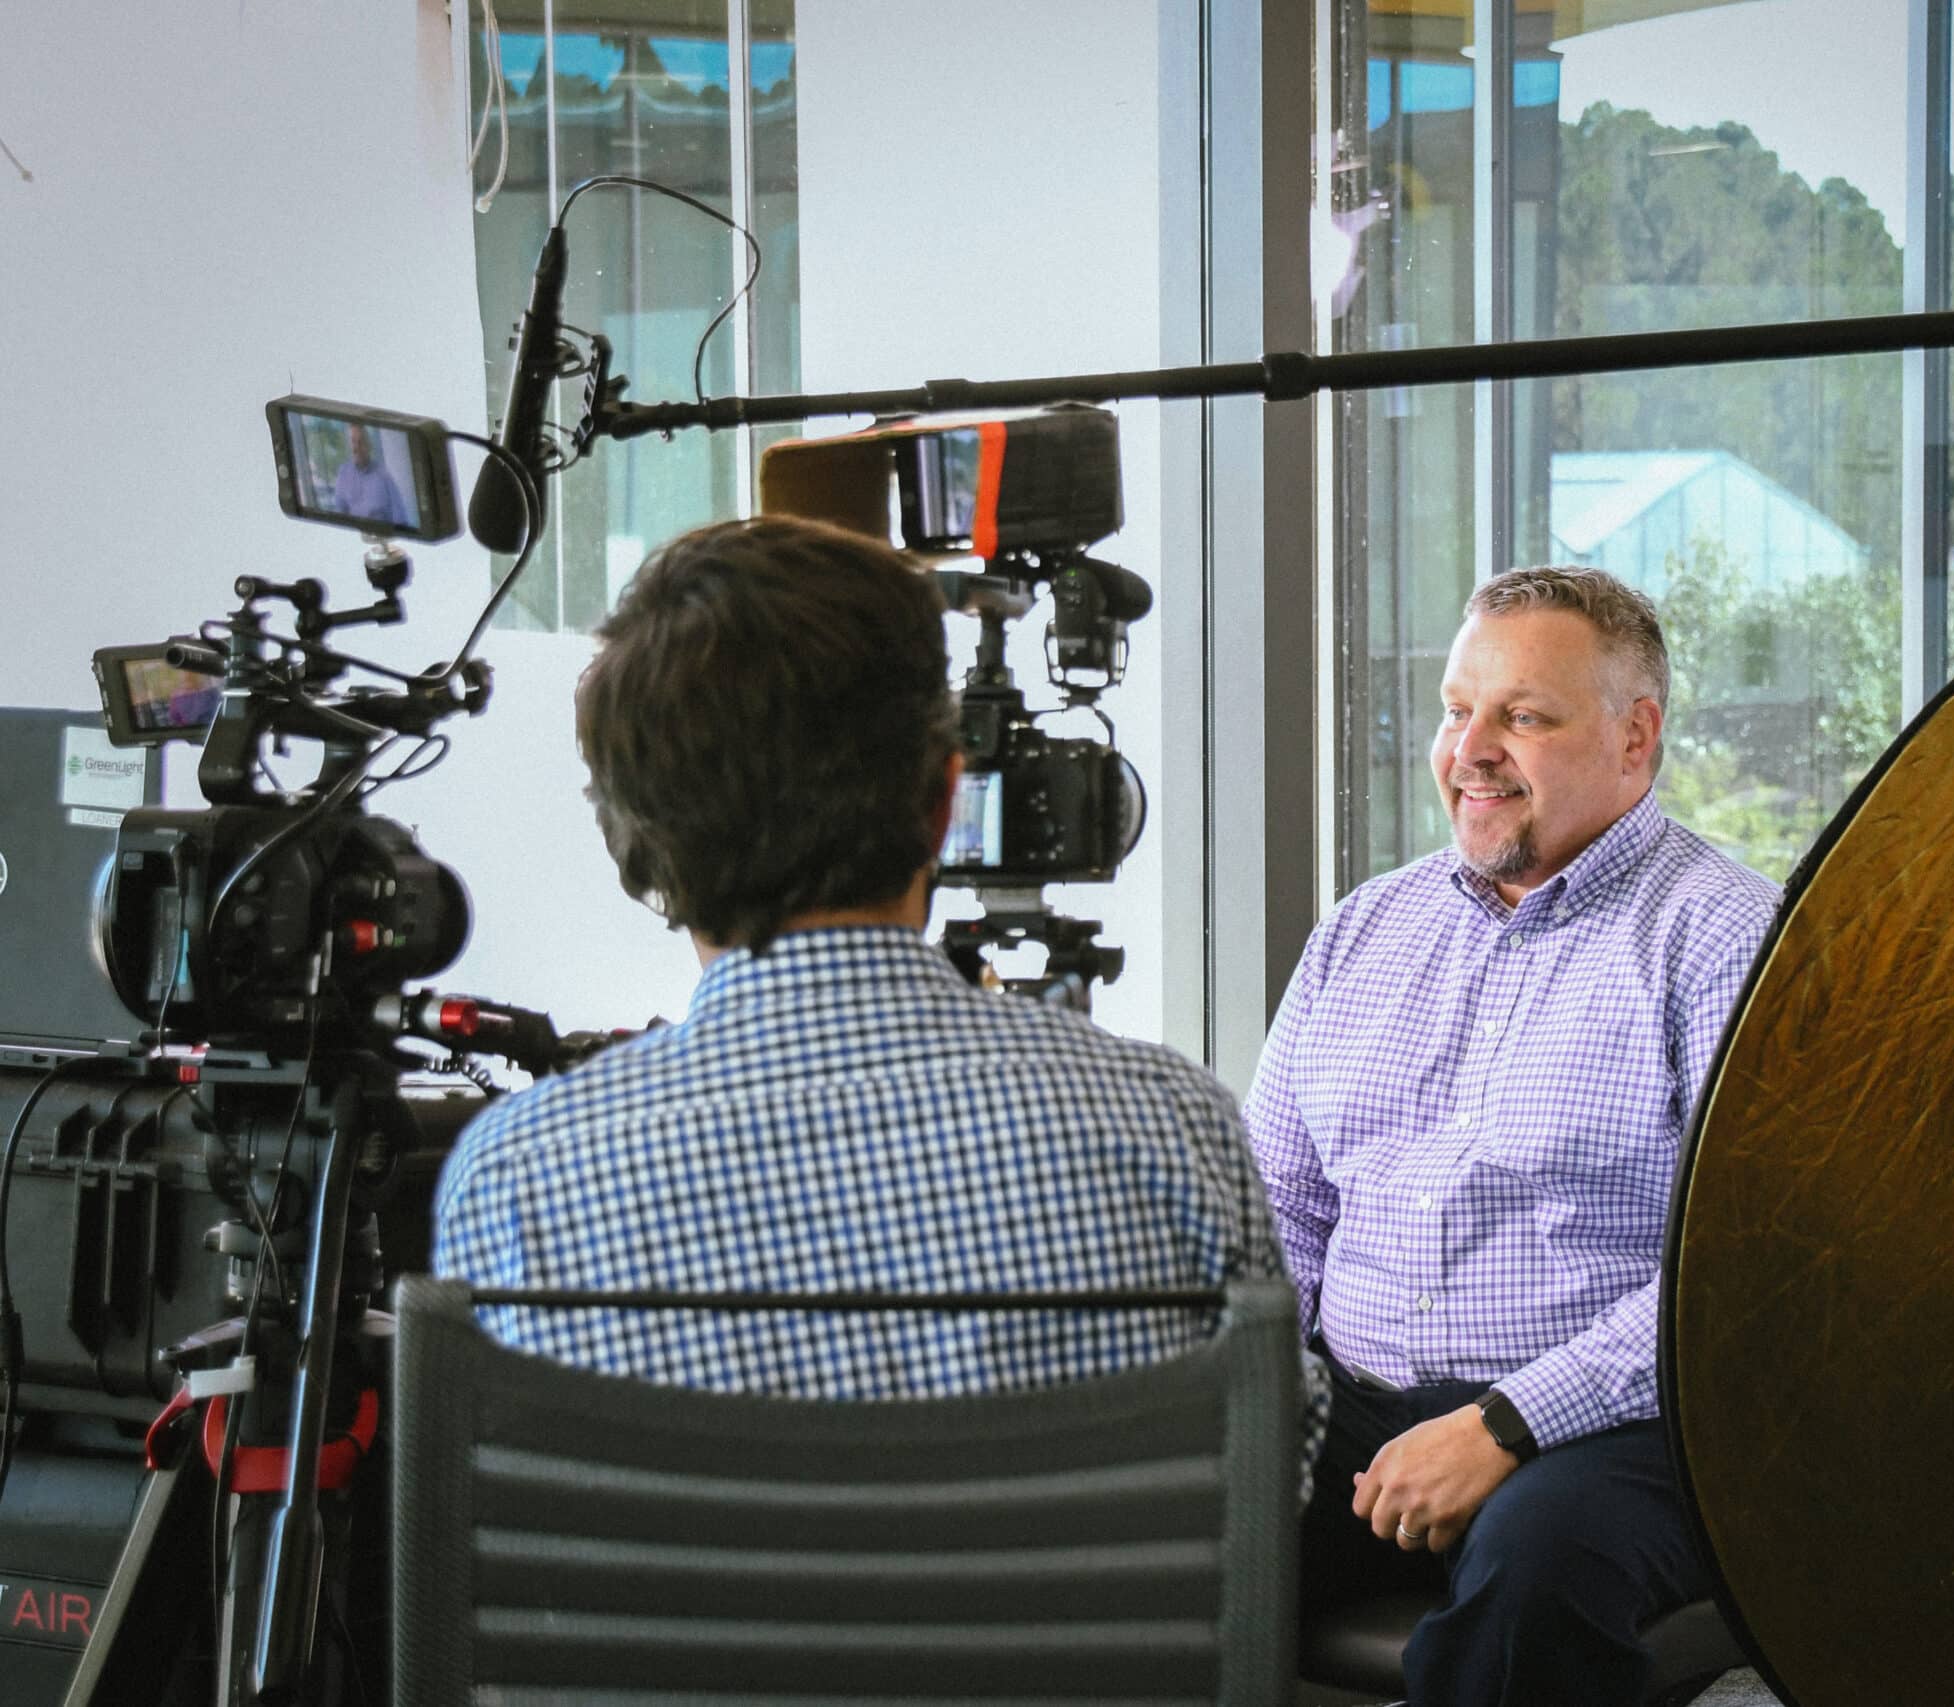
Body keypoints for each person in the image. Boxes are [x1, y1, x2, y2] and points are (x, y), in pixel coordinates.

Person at [434, 515, 1312, 1450]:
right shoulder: (1175, 1124)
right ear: (943, 800)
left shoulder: (514, 1180)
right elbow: (1278, 1467)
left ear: (634, 847)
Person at [1246, 564, 1781, 1707]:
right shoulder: (1363, 929)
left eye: (1523, 717)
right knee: (1153, 1517)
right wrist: (1263, 1392)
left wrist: (1506, 1422)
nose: (1470, 750)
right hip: (1352, 1404)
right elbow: (1277, 1207)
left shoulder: (1731, 940)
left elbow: (1738, 1276)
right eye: (1456, 710)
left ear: (1635, 737)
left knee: (1536, 1573)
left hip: (1617, 1428)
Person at [328, 422, 409, 528]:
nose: (356, 447)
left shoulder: (383, 475)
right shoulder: (343, 473)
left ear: (369, 446)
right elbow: (340, 514)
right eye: (353, 441)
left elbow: (400, 517)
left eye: (361, 442)